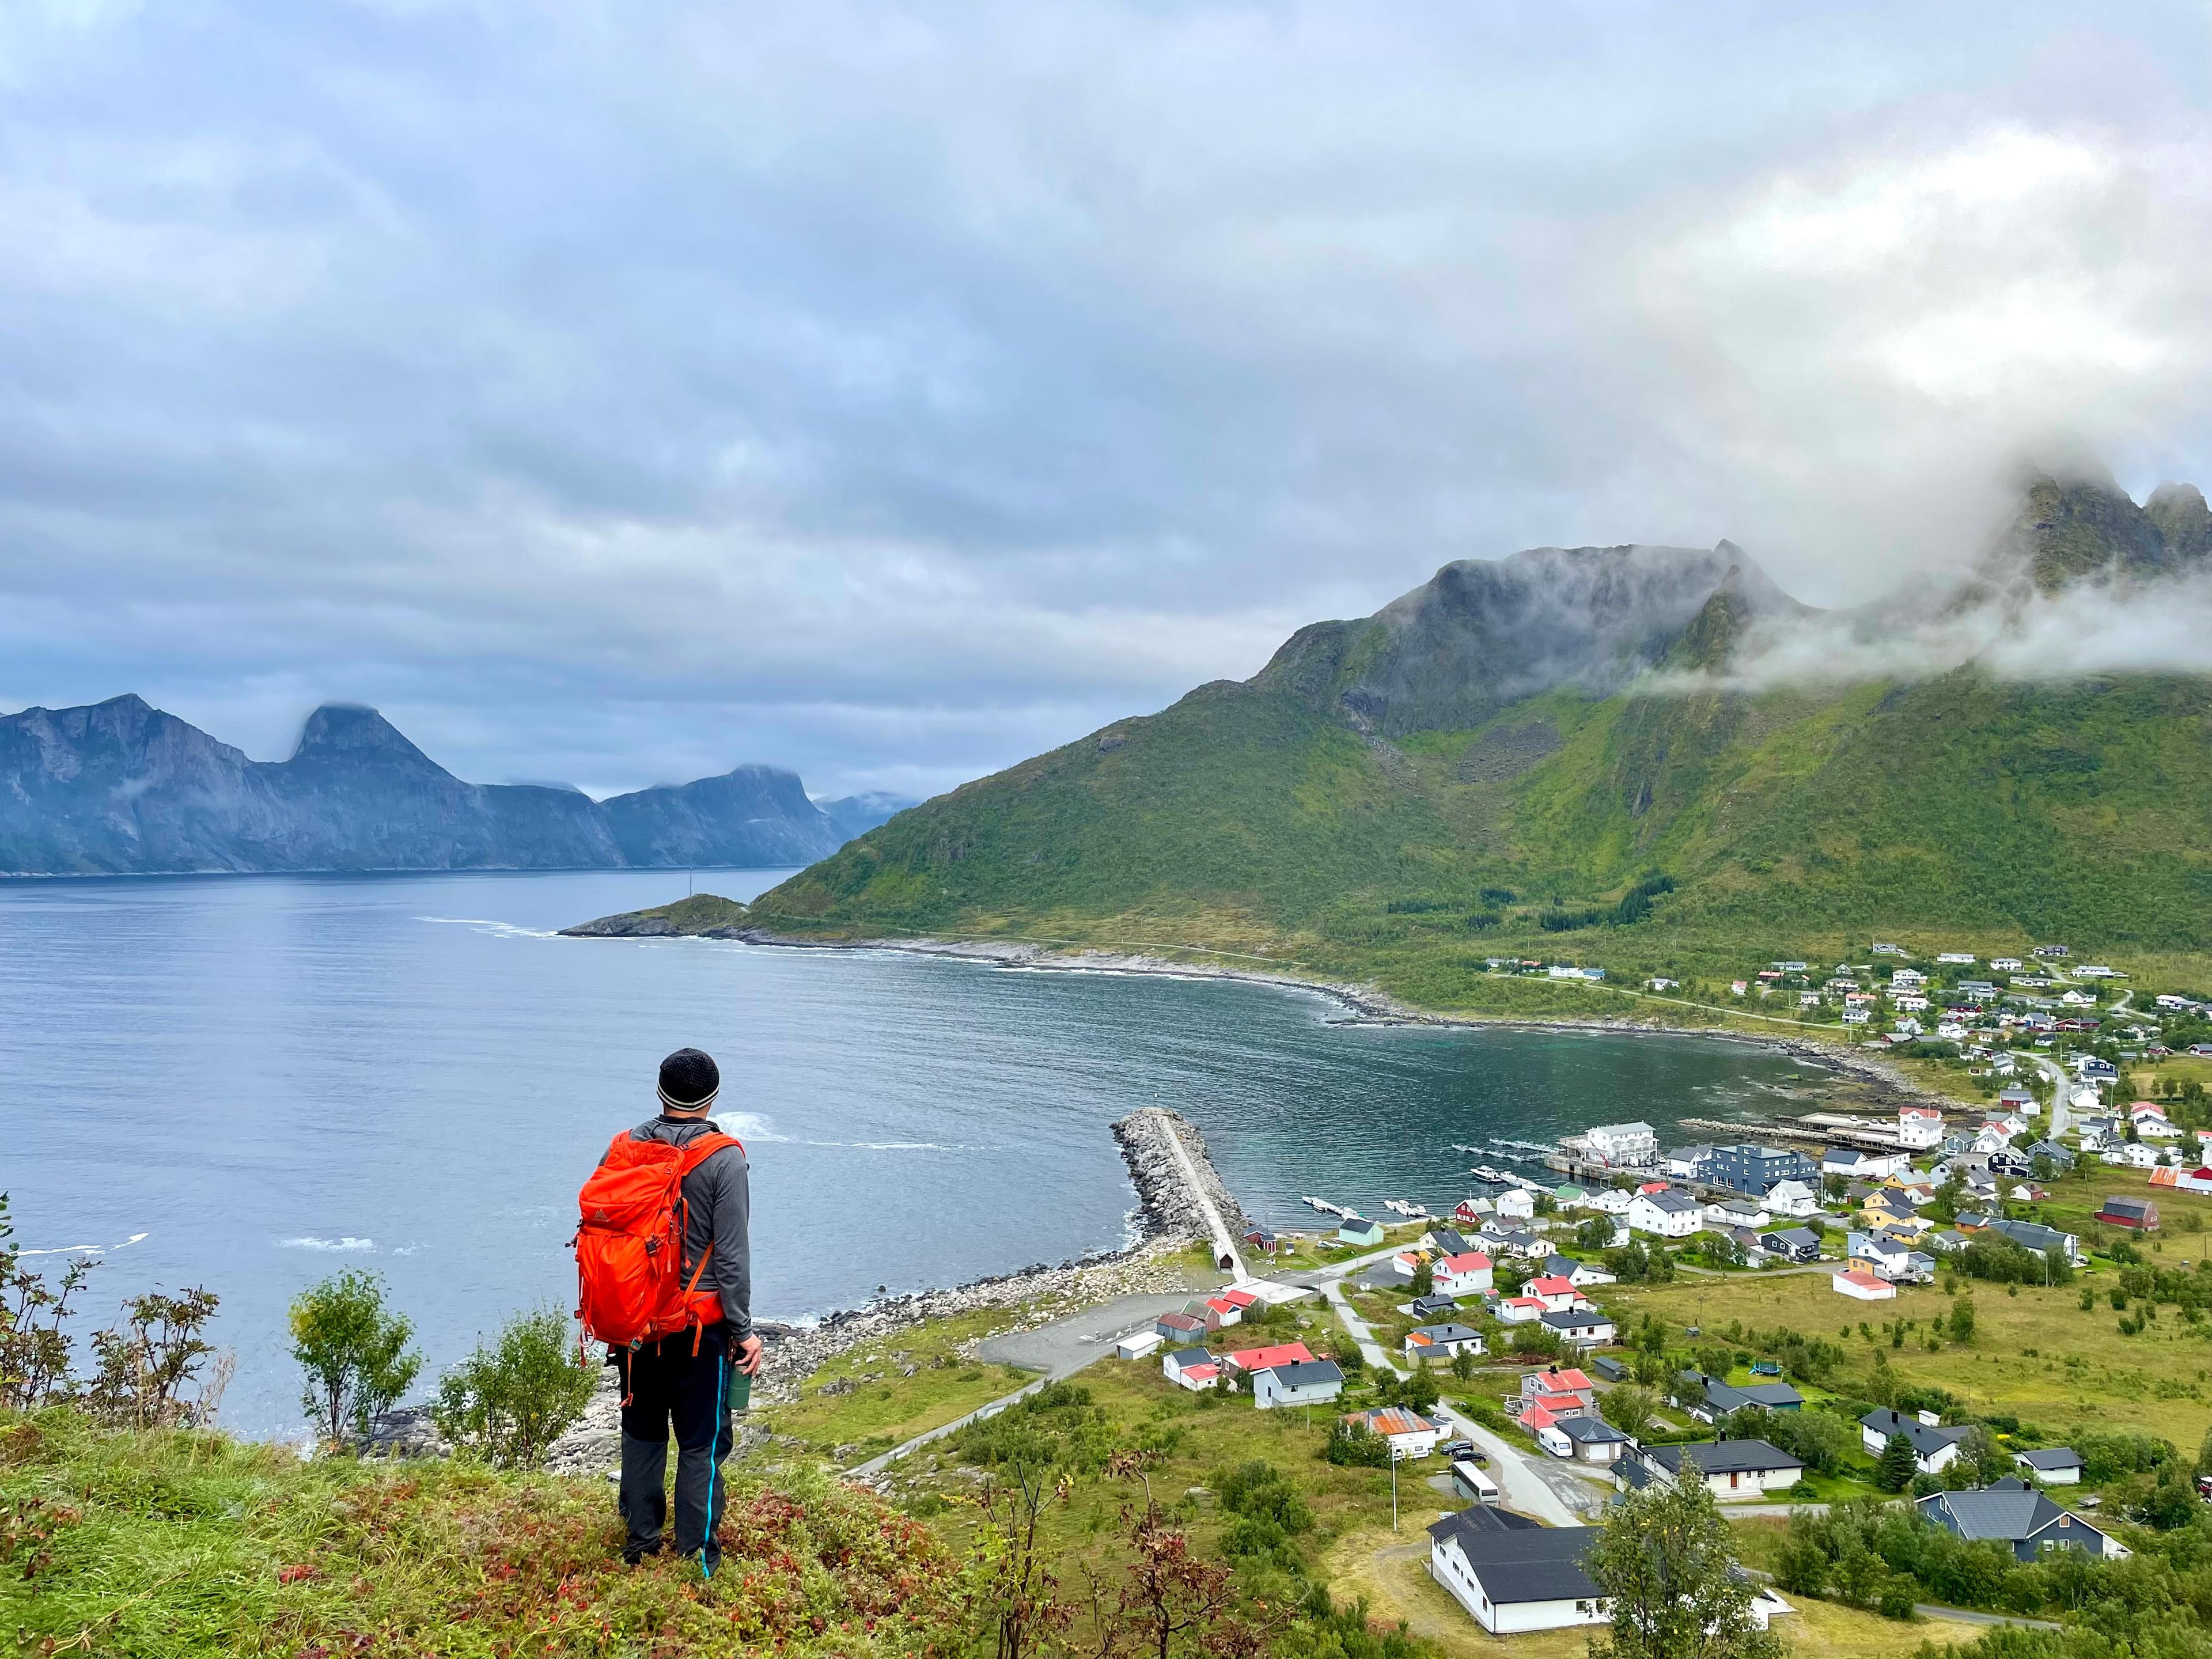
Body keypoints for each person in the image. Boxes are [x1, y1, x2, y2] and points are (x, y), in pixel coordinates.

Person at [609, 1047, 762, 1570]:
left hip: (633, 1325)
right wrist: (743, 1331)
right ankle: (697, 1557)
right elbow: (734, 1255)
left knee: (643, 1434)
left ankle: (640, 1544)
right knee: (701, 1444)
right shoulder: (725, 1159)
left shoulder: (625, 1146)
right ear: (713, 1098)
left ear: (659, 1093)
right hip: (699, 1332)